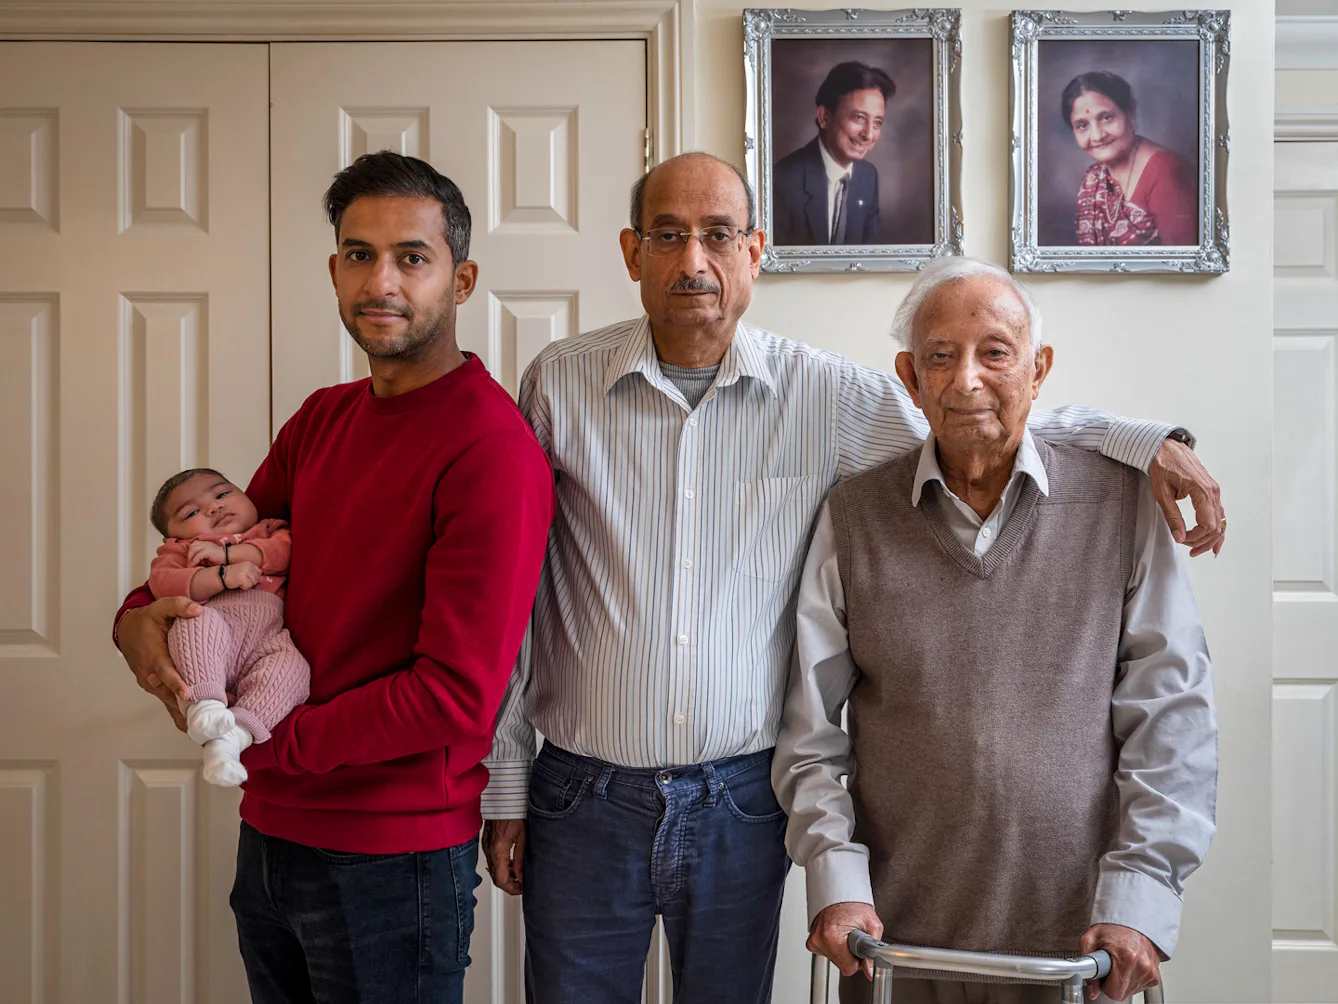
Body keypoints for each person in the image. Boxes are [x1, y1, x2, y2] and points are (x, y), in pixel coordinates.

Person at [479, 152, 1226, 1004]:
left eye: (718, 235)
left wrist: (1141, 441)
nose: (694, 260)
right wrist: (507, 776)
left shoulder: (825, 393)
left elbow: (976, 420)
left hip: (740, 799)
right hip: (581, 793)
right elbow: (517, 590)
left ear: (754, 251)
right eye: (668, 235)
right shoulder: (558, 383)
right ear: (631, 250)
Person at [113, 152, 554, 1004]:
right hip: (269, 834)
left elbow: (455, 696)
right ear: (334, 270)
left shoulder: (491, 451)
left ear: (461, 280)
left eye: (412, 257)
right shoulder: (322, 418)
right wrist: (137, 616)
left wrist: (269, 742)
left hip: (390, 860)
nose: (380, 281)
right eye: (359, 254)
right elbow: (225, 551)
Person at [775, 257, 1217, 1004]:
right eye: (940, 357)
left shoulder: (1120, 505)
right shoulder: (853, 515)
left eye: (995, 352)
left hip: (1081, 948)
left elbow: (1173, 716)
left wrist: (1140, 897)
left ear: (1038, 370)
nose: (967, 380)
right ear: (910, 378)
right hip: (892, 945)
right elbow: (810, 733)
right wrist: (835, 882)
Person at [147, 468, 310, 787]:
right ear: (173, 536)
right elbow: (163, 583)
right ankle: (204, 707)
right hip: (213, 635)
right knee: (193, 621)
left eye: (222, 494)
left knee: (293, 669)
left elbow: (286, 553)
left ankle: (233, 738)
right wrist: (220, 577)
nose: (214, 507)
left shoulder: (268, 530)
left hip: (267, 640)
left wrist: (228, 554)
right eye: (191, 512)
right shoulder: (184, 549)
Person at [1063, 70, 1198, 247]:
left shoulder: (1166, 172)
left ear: (1130, 112)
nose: (1097, 136)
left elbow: (1184, 261)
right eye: (1082, 125)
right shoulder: (1093, 177)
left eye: (1106, 117)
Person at [772, 61, 894, 246]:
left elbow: (870, 253)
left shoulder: (868, 176)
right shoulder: (782, 181)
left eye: (877, 122)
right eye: (859, 118)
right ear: (824, 117)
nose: (869, 134)